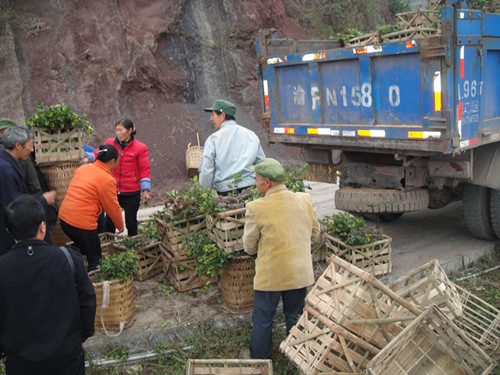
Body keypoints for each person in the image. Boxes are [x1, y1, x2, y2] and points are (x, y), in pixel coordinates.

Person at [0, 194, 96, 375]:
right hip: (67, 359)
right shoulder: (68, 259)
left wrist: (4, 353)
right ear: (42, 226)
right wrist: (82, 336)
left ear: (9, 231)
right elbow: (88, 300)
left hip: (21, 364)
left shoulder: (3, 268)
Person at [241, 158, 320, 359]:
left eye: (257, 179)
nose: (255, 183)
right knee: (295, 316)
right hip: (299, 274)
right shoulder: (304, 199)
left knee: (263, 320)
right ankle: (298, 358)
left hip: (271, 277)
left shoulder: (256, 207)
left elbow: (249, 246)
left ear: (267, 182)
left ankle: (259, 361)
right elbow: (315, 232)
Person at [59, 144, 125, 271]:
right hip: (82, 224)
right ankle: (94, 284)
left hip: (64, 219)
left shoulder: (83, 169)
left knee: (83, 246)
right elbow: (112, 207)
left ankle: (64, 255)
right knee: (95, 258)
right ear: (112, 161)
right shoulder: (107, 179)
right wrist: (120, 226)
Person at [86, 118, 151, 236]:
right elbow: (97, 153)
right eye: (116, 130)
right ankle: (109, 248)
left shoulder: (140, 148)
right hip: (113, 190)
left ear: (130, 130)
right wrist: (86, 157)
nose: (118, 133)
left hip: (131, 192)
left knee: (131, 222)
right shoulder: (110, 143)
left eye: (121, 130)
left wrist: (145, 191)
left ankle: (133, 248)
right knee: (109, 222)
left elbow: (144, 169)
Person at [0, 126, 56, 255]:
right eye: (30, 145)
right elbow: (14, 207)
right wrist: (43, 200)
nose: (32, 150)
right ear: (18, 145)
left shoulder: (7, 163)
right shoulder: (6, 171)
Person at [199, 99, 265, 195]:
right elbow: (262, 164)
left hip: (225, 192)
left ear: (222, 115)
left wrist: (205, 194)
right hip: (251, 190)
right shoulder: (251, 135)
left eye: (213, 114)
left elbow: (206, 171)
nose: (211, 119)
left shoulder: (213, 139)